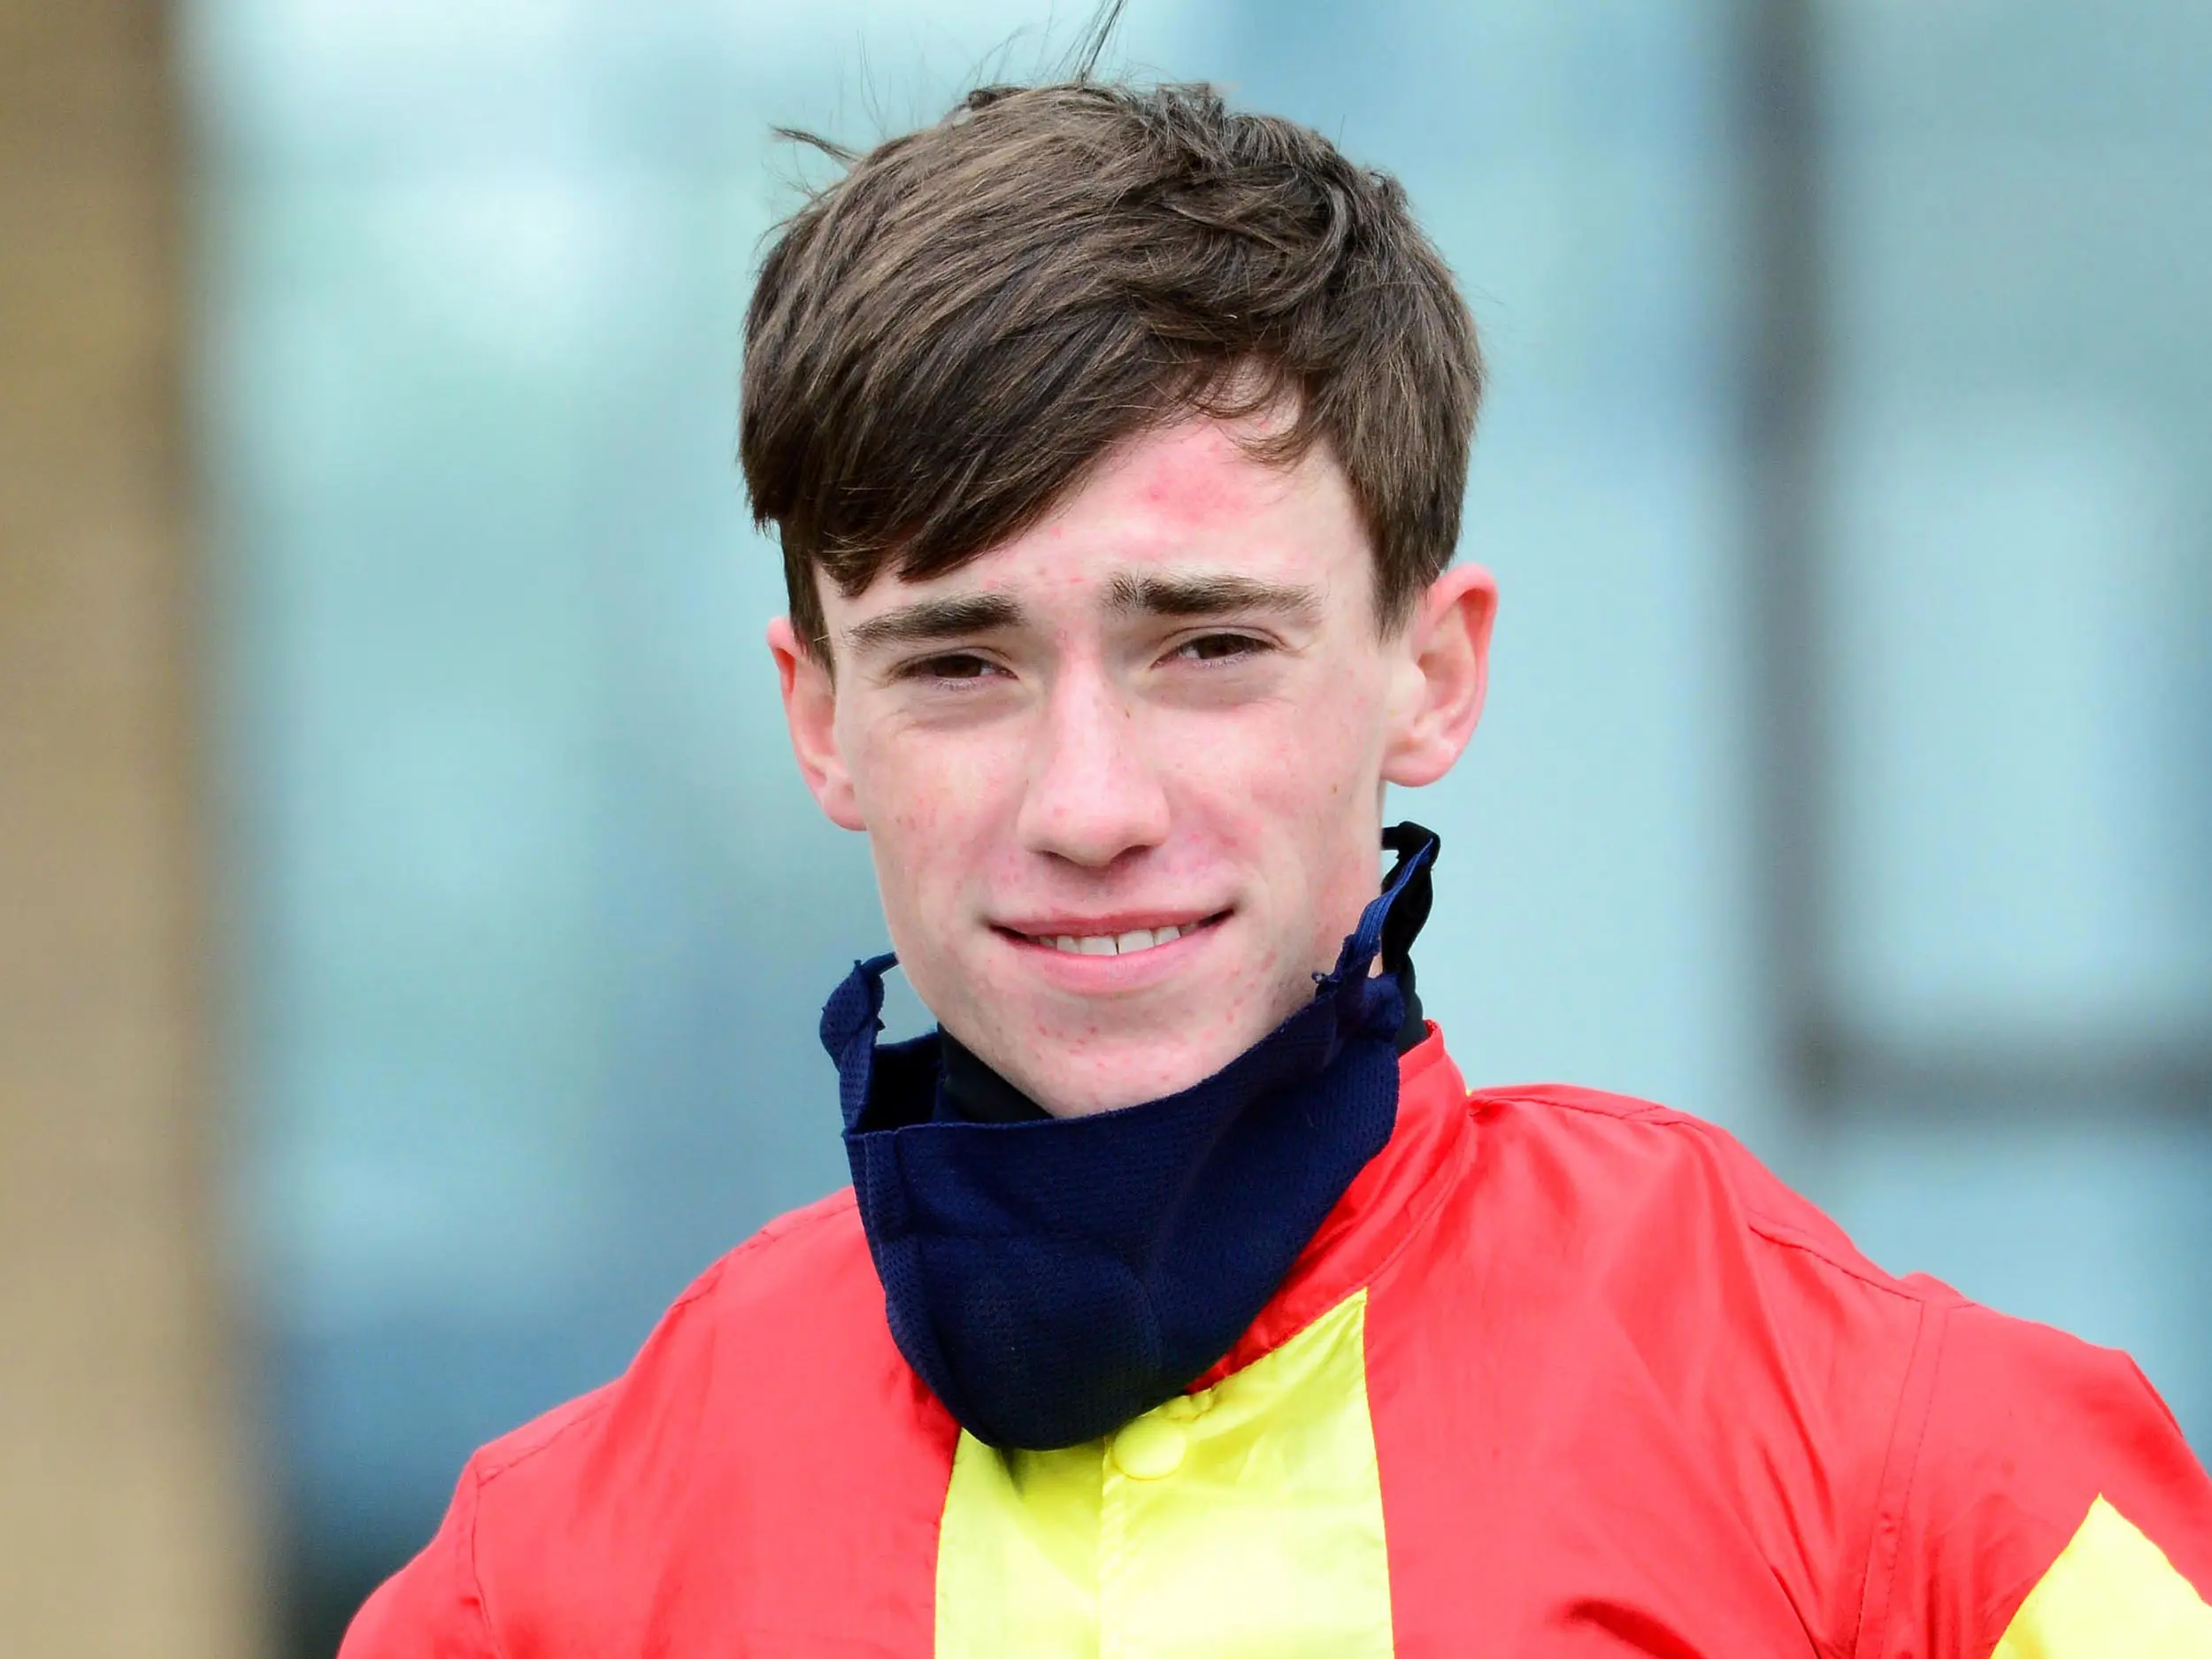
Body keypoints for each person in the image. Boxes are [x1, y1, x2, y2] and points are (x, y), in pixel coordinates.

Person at [341, 74, 2212, 1658]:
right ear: (820, 717)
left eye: (1209, 645)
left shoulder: (1901, 1484)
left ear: (1433, 671)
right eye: (960, 663)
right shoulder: (541, 1586)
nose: (1088, 803)